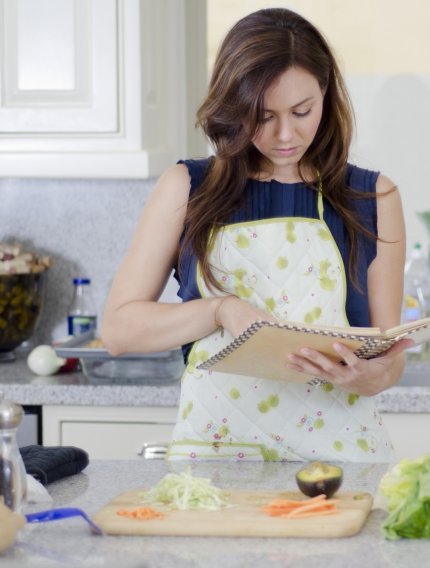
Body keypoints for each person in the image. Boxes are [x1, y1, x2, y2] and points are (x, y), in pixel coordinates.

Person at [101, 8, 409, 462]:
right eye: (262, 117)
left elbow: (389, 354)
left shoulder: (373, 195)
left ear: (325, 93)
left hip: (342, 462)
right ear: (233, 107)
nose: (286, 134)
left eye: (302, 111)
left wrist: (374, 376)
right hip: (216, 461)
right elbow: (118, 331)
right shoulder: (187, 187)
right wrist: (222, 311)